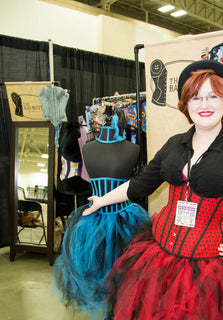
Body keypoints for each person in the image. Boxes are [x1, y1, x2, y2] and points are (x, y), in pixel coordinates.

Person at [83, 60, 223, 320]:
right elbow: (140, 185)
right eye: (196, 97)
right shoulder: (173, 145)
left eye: (213, 96)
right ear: (186, 105)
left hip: (209, 268)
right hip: (157, 256)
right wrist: (102, 201)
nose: (204, 105)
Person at [52, 108, 150, 320]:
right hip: (93, 222)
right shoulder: (88, 148)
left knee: (125, 277)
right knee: (98, 275)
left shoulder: (132, 148)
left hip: (125, 219)